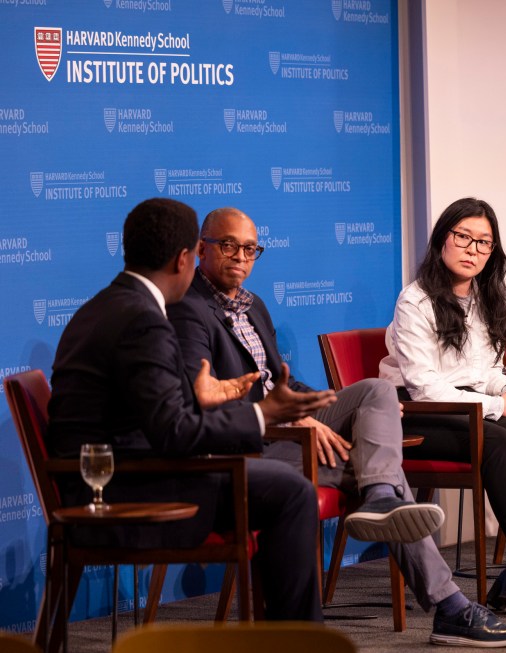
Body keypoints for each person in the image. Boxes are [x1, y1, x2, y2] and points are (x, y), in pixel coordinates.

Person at [167, 206, 506, 648]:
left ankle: (381, 499)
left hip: (284, 421)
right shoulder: (188, 311)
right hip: (254, 441)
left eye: (250, 249)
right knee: (388, 474)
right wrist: (297, 417)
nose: (241, 257)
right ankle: (450, 606)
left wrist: (317, 403)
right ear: (201, 249)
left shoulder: (252, 304)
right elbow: (208, 397)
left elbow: (280, 378)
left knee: (377, 392)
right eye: (229, 246)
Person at [47, 197, 337, 622]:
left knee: (279, 481)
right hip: (124, 494)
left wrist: (201, 398)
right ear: (187, 258)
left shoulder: (102, 308)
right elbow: (175, 434)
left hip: (102, 481)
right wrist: (263, 414)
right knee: (291, 491)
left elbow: (147, 412)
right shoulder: (144, 320)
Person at [379, 197, 506, 615]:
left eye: (484, 243)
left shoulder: (485, 298)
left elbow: (483, 368)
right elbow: (427, 389)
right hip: (420, 416)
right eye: (464, 238)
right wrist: (495, 404)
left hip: (469, 407)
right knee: (501, 444)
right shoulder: (415, 301)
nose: (473, 250)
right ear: (442, 240)